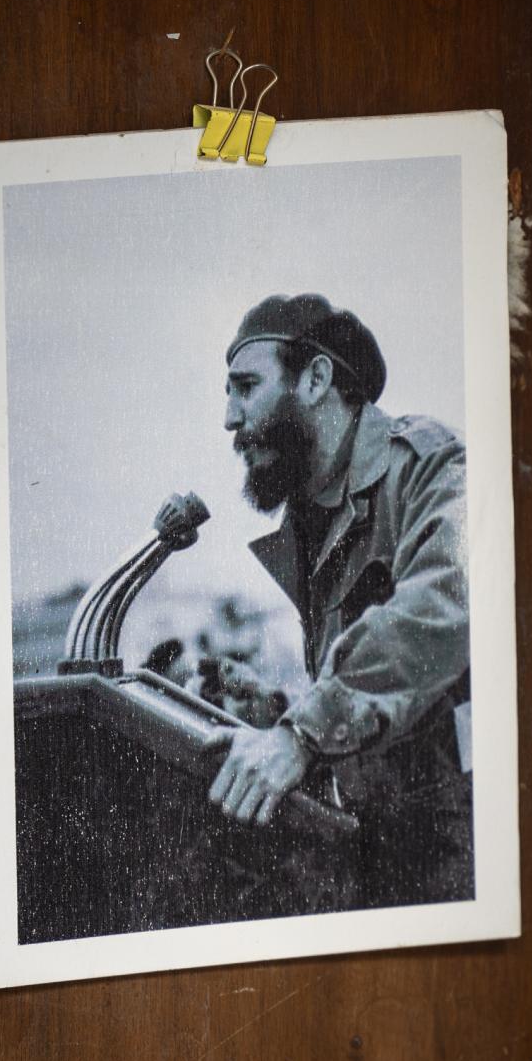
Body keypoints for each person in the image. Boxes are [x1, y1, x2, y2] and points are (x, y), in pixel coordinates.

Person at [207, 292, 476, 902]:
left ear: (317, 378)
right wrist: (275, 708)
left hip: (465, 846)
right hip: (378, 842)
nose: (228, 416)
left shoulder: (432, 469)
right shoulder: (312, 522)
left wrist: (300, 736)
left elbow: (441, 610)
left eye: (246, 386)